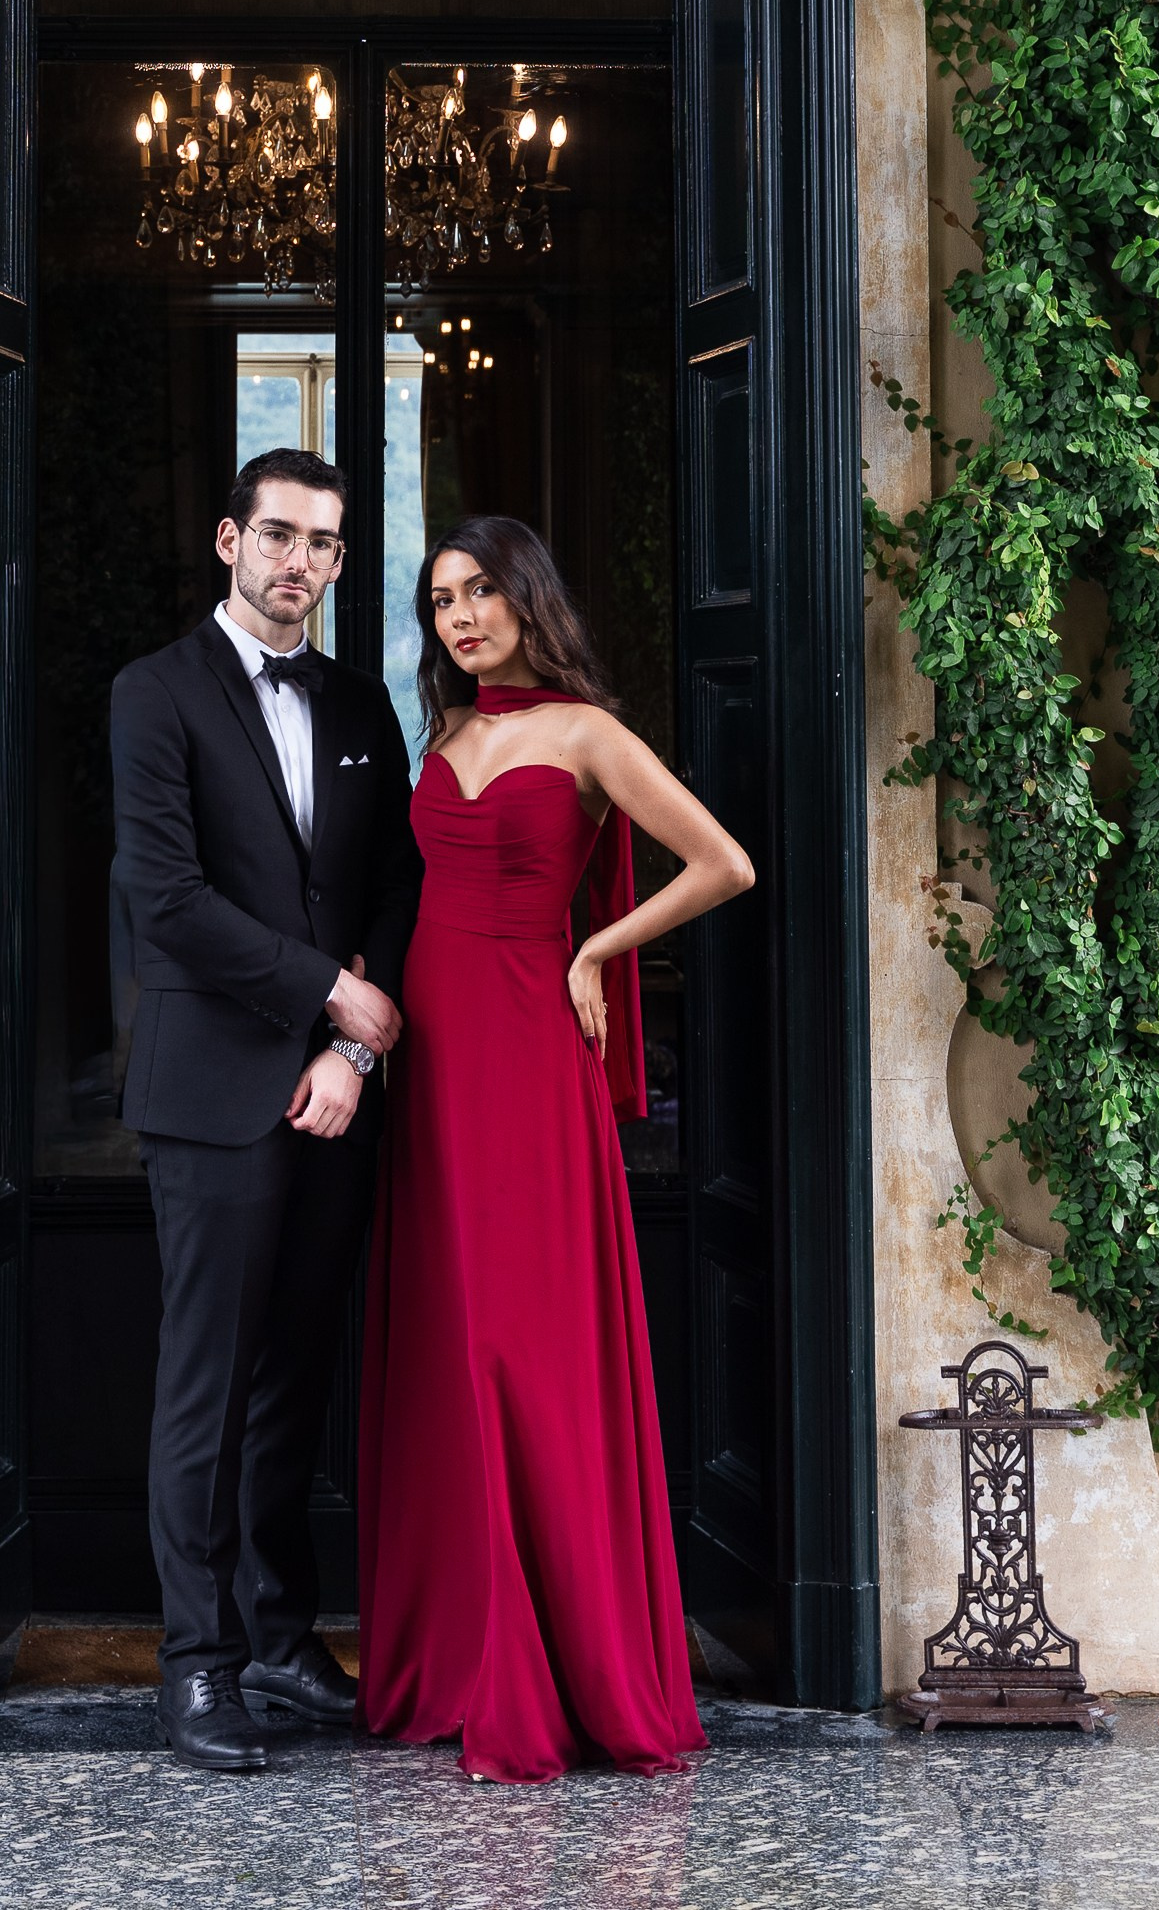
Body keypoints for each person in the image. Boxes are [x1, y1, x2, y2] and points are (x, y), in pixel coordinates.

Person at [358, 513, 754, 1783]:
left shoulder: (587, 733)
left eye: (479, 591)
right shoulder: (448, 735)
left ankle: (560, 1663)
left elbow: (724, 863)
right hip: (433, 1063)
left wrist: (595, 945)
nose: (459, 616)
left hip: (530, 1051)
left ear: (528, 596)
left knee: (521, 1343)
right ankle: (467, 1656)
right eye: (437, 600)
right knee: (446, 1336)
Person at [109, 448, 423, 1773]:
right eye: (279, 535)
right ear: (230, 540)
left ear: (344, 562)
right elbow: (167, 902)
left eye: (325, 544)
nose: (300, 561)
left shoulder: (363, 702)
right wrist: (328, 1002)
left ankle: (281, 1636)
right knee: (207, 1389)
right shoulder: (153, 695)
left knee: (298, 1381)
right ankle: (197, 1668)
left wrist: (353, 1052)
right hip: (210, 1093)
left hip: (335, 1101)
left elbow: (399, 887)